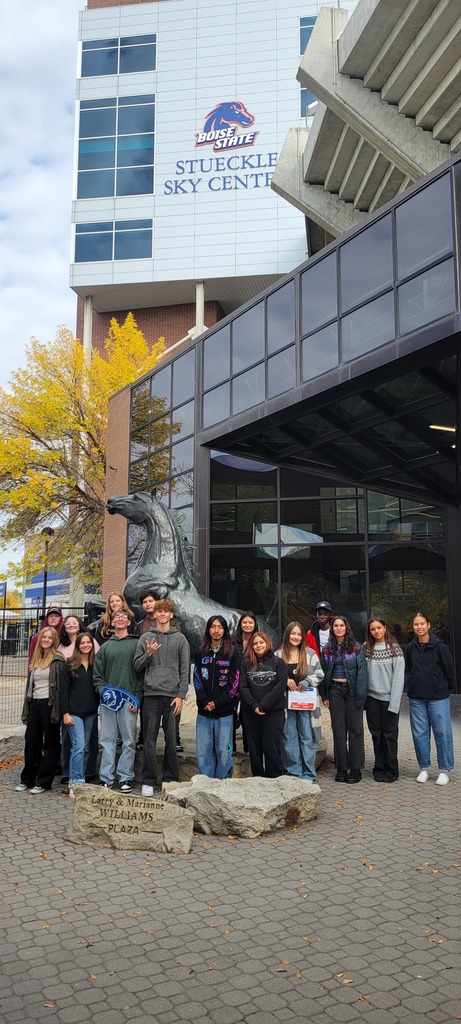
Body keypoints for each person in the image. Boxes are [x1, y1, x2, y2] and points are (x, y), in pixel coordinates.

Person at [134, 598, 190, 797]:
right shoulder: (146, 638)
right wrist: (148, 654)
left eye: (166, 612)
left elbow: (185, 671)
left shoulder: (180, 639)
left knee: (171, 739)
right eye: (160, 611)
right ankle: (148, 780)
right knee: (149, 740)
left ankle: (170, 778)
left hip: (172, 697)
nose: (163, 615)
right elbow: (137, 666)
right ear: (155, 615)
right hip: (151, 695)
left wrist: (181, 695)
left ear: (171, 615)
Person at [93, 609, 142, 792]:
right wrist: (102, 691)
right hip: (108, 702)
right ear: (112, 622)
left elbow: (141, 674)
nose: (120, 620)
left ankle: (126, 777)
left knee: (129, 741)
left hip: (129, 700)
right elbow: (97, 675)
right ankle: (106, 777)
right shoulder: (105, 647)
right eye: (117, 617)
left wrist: (137, 698)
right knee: (107, 740)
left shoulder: (137, 644)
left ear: (129, 622)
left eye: (124, 617)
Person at [405, 611, 455, 786]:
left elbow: (449, 671)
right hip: (417, 697)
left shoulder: (439, 647)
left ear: (428, 625)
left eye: (422, 624)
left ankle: (444, 770)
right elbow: (409, 669)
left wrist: (442, 688)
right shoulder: (410, 647)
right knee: (419, 734)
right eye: (416, 624)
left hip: (438, 698)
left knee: (442, 733)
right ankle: (424, 768)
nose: (419, 627)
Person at [16, 627, 66, 794]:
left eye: (49, 638)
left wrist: (60, 709)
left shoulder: (58, 660)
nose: (46, 640)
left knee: (50, 744)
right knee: (31, 742)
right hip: (35, 704)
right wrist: (27, 707)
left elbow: (61, 688)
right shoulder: (36, 659)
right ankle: (28, 779)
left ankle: (44, 782)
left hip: (50, 704)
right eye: (43, 637)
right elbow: (30, 688)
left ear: (54, 641)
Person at [319, 616, 368, 784]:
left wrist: (361, 696)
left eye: (342, 625)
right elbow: (323, 673)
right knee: (339, 731)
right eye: (336, 626)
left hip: (352, 691)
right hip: (335, 691)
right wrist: (324, 695)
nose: (339, 628)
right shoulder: (327, 649)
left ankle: (355, 768)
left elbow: (362, 673)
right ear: (332, 629)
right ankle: (341, 767)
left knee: (355, 730)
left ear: (346, 628)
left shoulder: (356, 648)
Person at [276, 622, 323, 783]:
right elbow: (273, 676)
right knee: (289, 738)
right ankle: (293, 773)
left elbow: (319, 673)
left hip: (306, 706)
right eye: (292, 633)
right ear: (287, 634)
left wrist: (307, 682)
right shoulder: (278, 654)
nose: (295, 637)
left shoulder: (310, 654)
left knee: (307, 737)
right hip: (285, 705)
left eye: (299, 634)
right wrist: (285, 680)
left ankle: (308, 774)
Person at [193, 616, 240, 779]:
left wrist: (218, 703)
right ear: (208, 629)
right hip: (204, 711)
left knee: (223, 749)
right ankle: (205, 781)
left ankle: (223, 780)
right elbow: (197, 678)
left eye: (220, 627)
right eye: (213, 627)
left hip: (224, 712)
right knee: (204, 750)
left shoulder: (232, 653)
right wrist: (204, 701)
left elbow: (234, 684)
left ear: (225, 630)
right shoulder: (200, 651)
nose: (216, 630)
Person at [239, 631, 288, 778]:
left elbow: (279, 687)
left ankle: (275, 778)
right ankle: (258, 779)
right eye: (255, 643)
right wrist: (254, 705)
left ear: (268, 643)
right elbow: (243, 687)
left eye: (261, 642)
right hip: (251, 713)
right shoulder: (245, 664)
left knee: (271, 748)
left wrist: (264, 705)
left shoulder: (279, 663)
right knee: (255, 750)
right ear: (251, 646)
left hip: (273, 713)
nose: (258, 645)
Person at [59, 614, 99, 786]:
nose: (85, 645)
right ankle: (75, 781)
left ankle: (81, 776)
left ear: (92, 645)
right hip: (74, 713)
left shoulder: (96, 664)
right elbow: (63, 690)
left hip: (90, 712)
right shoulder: (69, 664)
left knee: (87, 747)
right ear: (78, 645)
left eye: (88, 643)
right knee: (78, 746)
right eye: (82, 643)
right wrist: (65, 713)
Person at [363, 618, 405, 783]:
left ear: (385, 628)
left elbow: (399, 678)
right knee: (376, 735)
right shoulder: (366, 648)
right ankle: (379, 768)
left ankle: (392, 769)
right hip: (372, 699)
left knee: (390, 735)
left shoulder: (394, 649)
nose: (376, 631)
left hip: (389, 699)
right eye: (373, 629)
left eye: (379, 628)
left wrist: (394, 703)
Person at [232, 612, 258, 753]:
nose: (247, 625)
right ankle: (232, 748)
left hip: (251, 684)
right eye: (245, 622)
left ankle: (249, 748)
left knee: (247, 716)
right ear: (240, 624)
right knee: (231, 715)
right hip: (233, 683)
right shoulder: (232, 640)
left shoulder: (258, 640)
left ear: (254, 625)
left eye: (250, 623)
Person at [28, 606, 63, 670]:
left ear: (60, 618)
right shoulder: (37, 637)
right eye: (50, 616)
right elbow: (32, 658)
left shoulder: (64, 636)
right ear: (47, 618)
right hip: (41, 671)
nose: (53, 618)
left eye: (56, 616)